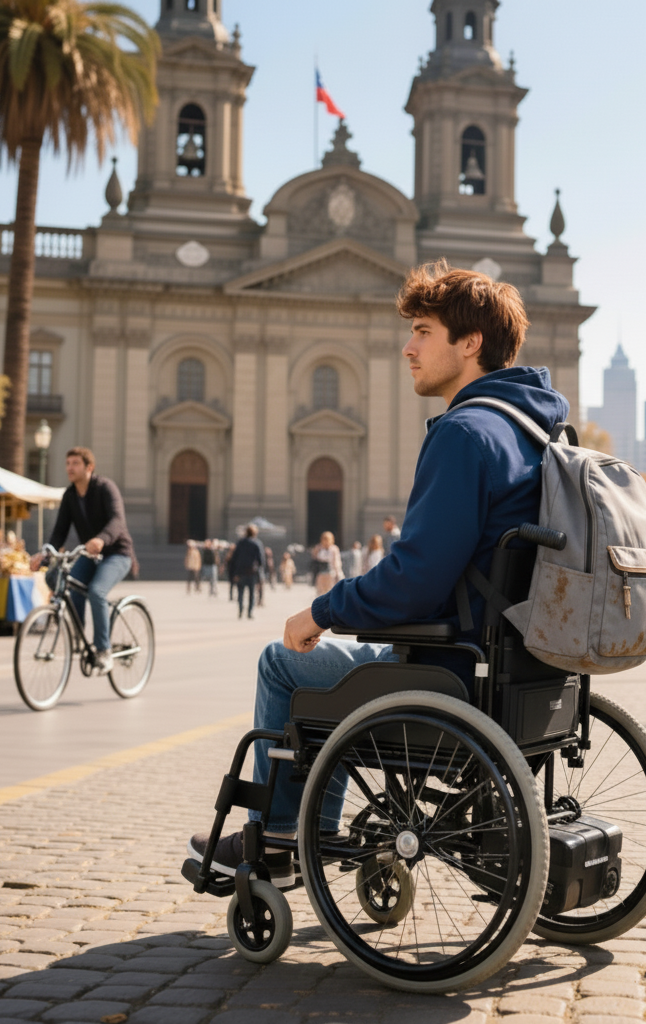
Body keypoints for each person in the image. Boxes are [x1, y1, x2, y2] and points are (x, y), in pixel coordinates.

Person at [187, 260, 568, 887]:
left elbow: (413, 579)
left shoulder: (465, 434)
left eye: (423, 331)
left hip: (447, 674)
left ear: (469, 343)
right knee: (336, 677)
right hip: (520, 671)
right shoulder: (535, 431)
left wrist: (324, 610)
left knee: (283, 663)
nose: (408, 347)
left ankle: (280, 841)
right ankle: (296, 830)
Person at [30, 447, 136, 674]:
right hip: (89, 554)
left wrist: (101, 539)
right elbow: (59, 532)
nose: (70, 468)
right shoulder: (70, 496)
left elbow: (117, 521)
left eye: (75, 463)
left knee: (97, 592)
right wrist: (45, 553)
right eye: (68, 463)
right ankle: (79, 634)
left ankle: (104, 650)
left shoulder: (105, 488)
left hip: (117, 553)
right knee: (63, 581)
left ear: (89, 467)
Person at [229, 524, 264, 619]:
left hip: (240, 572)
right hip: (251, 572)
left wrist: (234, 573)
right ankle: (249, 612)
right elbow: (260, 560)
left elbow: (234, 559)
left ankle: (240, 610)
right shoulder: (256, 543)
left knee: (240, 592)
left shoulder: (239, 543)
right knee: (251, 593)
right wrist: (260, 572)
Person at [311, 532, 343, 596]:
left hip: (330, 573)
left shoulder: (334, 549)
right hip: (320, 573)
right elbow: (314, 558)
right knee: (320, 592)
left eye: (327, 539)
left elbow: (337, 562)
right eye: (324, 539)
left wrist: (338, 573)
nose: (326, 541)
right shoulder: (318, 548)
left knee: (329, 591)